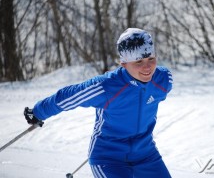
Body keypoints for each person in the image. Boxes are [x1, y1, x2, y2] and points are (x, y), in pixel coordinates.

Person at [24, 28, 173, 178]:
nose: (147, 67)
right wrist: (38, 112)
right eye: (139, 61)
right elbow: (69, 96)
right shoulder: (107, 87)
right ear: (124, 63)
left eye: (151, 59)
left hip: (146, 155)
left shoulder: (163, 79)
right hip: (109, 159)